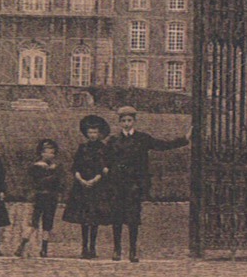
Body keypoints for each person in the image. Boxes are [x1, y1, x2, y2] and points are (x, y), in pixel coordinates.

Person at [103, 105, 189, 263]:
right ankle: (117, 250)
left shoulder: (142, 138)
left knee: (133, 217)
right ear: (120, 123)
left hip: (135, 183)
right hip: (117, 183)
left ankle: (133, 251)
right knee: (117, 217)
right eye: (124, 121)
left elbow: (163, 145)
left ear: (134, 121)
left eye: (129, 120)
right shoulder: (114, 140)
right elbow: (106, 159)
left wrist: (184, 139)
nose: (127, 124)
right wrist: (107, 171)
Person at [63, 115, 111, 259]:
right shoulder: (82, 148)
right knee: (83, 218)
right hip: (82, 186)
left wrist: (95, 179)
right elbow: (75, 167)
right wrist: (81, 180)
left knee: (94, 218)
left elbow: (104, 167)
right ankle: (84, 247)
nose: (92, 135)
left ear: (99, 133)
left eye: (95, 132)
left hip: (97, 186)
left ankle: (92, 246)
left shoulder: (103, 148)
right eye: (90, 132)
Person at [15, 139, 63, 258]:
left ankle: (44, 248)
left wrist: (59, 193)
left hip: (51, 197)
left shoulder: (56, 167)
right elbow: (34, 183)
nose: (49, 155)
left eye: (52, 153)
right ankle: (22, 244)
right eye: (46, 152)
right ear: (41, 153)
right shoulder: (36, 167)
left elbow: (60, 183)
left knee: (48, 223)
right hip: (40, 197)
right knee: (34, 222)